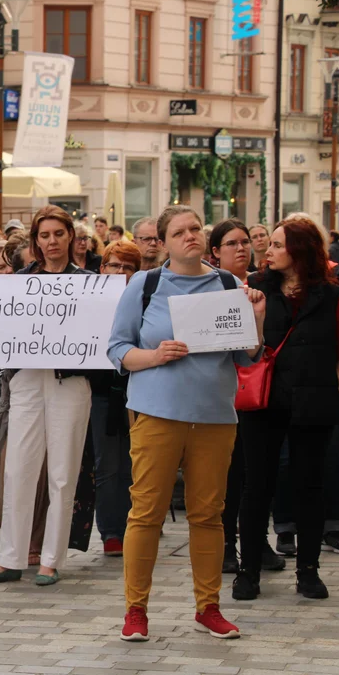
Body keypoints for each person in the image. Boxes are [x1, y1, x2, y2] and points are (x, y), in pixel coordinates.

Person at [108, 206, 265, 642]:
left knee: (209, 514)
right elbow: (117, 349)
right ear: (164, 241)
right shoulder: (146, 284)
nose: (190, 236)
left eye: (195, 228)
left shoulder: (229, 284)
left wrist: (257, 316)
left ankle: (208, 607)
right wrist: (155, 356)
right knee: (146, 513)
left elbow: (247, 354)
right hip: (157, 412)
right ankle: (135, 610)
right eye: (179, 232)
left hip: (214, 415)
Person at [234, 218, 339, 603]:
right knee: (258, 488)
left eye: (277, 245)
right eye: (268, 244)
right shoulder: (256, 289)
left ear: (300, 250)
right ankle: (248, 571)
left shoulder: (331, 295)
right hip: (265, 402)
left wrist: (330, 388)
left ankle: (308, 571)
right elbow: (247, 350)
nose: (267, 251)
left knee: (309, 487)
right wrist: (255, 317)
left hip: (313, 404)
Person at [0, 206, 92, 589]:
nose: (52, 241)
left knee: (62, 471)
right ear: (35, 240)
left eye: (59, 233)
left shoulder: (88, 282)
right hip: (25, 378)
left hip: (70, 380)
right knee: (17, 468)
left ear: (70, 236)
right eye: (45, 235)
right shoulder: (19, 282)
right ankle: (10, 557)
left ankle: (50, 560)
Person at [207, 219, 281, 574]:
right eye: (232, 243)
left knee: (256, 471)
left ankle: (257, 540)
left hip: (258, 392)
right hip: (221, 391)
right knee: (228, 474)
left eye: (246, 242)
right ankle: (224, 545)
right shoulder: (208, 290)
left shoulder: (263, 286)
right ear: (215, 252)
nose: (241, 248)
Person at [89, 241, 141, 558]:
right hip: (101, 391)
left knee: (136, 463)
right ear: (102, 268)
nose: (120, 272)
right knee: (108, 463)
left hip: (139, 389)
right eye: (114, 265)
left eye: (127, 267)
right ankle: (111, 531)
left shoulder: (145, 301)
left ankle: (135, 525)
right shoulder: (91, 300)